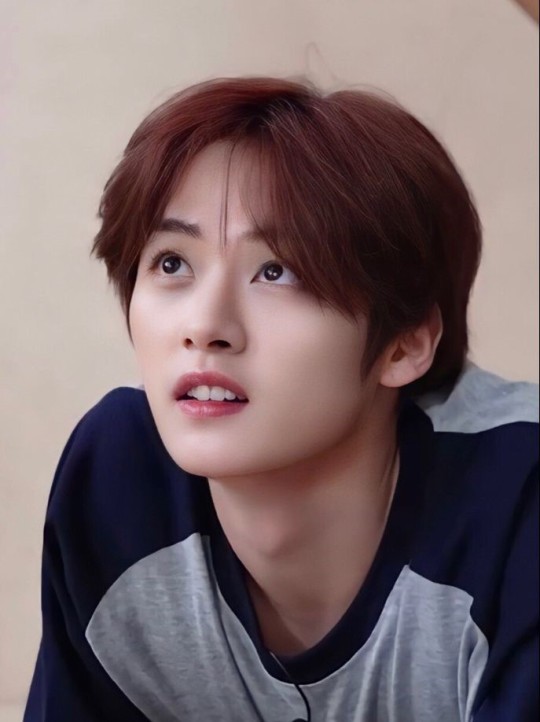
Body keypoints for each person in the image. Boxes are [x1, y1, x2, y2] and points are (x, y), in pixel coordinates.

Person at [23, 72, 538, 722]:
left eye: (277, 271)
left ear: (404, 344)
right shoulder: (118, 482)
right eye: (173, 263)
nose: (205, 326)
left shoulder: (517, 497)